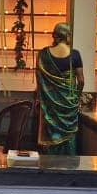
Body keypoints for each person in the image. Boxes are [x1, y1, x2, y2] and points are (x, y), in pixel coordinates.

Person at [36, 23, 85, 154]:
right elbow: (81, 80)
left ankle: (49, 165)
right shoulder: (75, 54)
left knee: (50, 136)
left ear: (55, 36)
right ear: (68, 36)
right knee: (68, 138)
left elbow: (40, 83)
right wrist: (77, 97)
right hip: (69, 104)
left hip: (49, 104)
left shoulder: (43, 54)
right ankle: (68, 165)